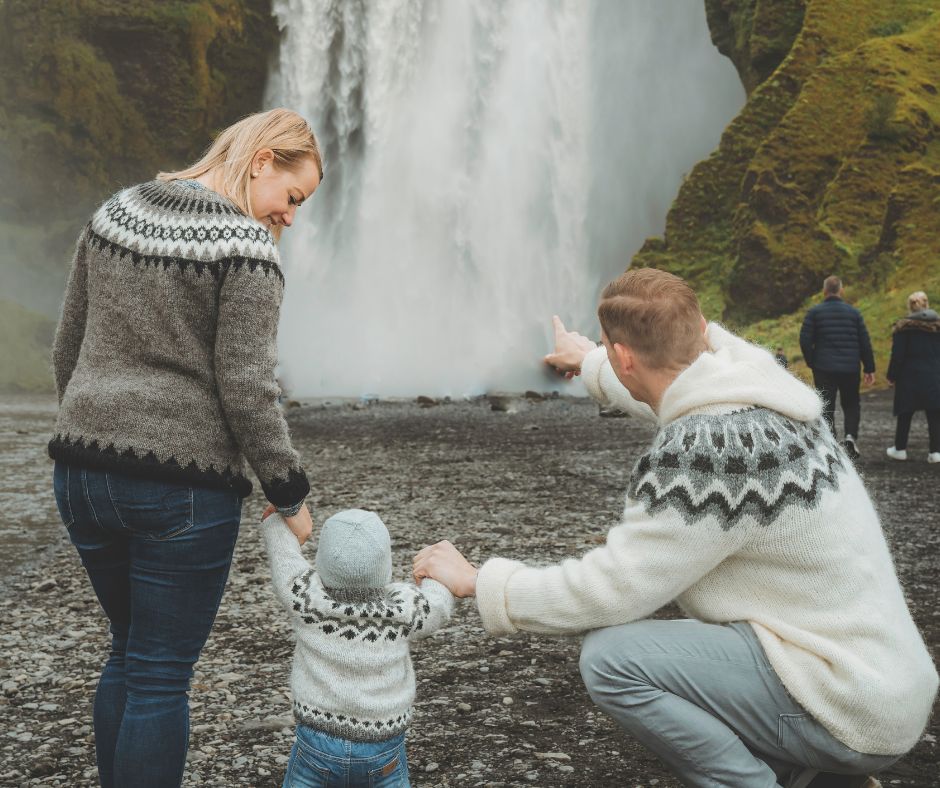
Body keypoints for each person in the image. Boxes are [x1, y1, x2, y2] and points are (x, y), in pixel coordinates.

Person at [413, 268, 938, 788]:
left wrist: (479, 581)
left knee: (613, 660)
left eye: (611, 353)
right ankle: (824, 781)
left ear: (625, 358)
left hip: (847, 709)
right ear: (703, 330)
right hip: (887, 683)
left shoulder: (707, 451)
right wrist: (591, 360)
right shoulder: (763, 384)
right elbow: (672, 378)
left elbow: (611, 589)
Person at [49, 108, 323, 788]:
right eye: (293, 198)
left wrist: (96, 429)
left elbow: (67, 347)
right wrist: (287, 490)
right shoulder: (247, 249)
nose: (290, 217)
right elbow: (247, 386)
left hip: (81, 470)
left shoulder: (115, 213)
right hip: (181, 486)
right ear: (263, 160)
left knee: (130, 655)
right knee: (160, 674)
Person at [262, 509, 454, 787]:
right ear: (384, 565)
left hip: (318, 744)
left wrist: (276, 519)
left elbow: (284, 557)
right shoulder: (404, 609)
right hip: (383, 745)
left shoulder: (306, 599)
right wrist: (436, 576)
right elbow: (438, 606)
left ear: (324, 562)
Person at [799, 275, 875, 459]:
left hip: (824, 367)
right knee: (851, 404)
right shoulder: (854, 313)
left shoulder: (814, 313)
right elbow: (865, 341)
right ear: (841, 290)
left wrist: (812, 362)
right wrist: (869, 368)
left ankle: (830, 442)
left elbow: (804, 339)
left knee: (827, 405)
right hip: (850, 367)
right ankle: (850, 438)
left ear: (824, 291)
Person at [885, 291, 940, 463]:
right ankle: (935, 452)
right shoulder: (937, 328)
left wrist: (891, 375)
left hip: (908, 377)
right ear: (927, 305)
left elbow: (898, 356)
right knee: (935, 414)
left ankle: (900, 449)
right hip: (934, 376)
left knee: (905, 413)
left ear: (910, 306)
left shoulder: (903, 329)